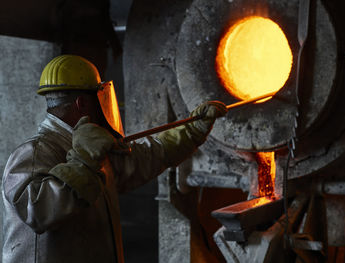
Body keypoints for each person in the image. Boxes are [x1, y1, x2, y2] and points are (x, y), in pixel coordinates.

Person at [1, 55, 227, 263]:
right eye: (100, 97)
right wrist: (83, 160)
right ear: (82, 103)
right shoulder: (35, 153)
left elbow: (148, 157)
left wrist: (192, 130)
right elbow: (38, 212)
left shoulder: (96, 149)